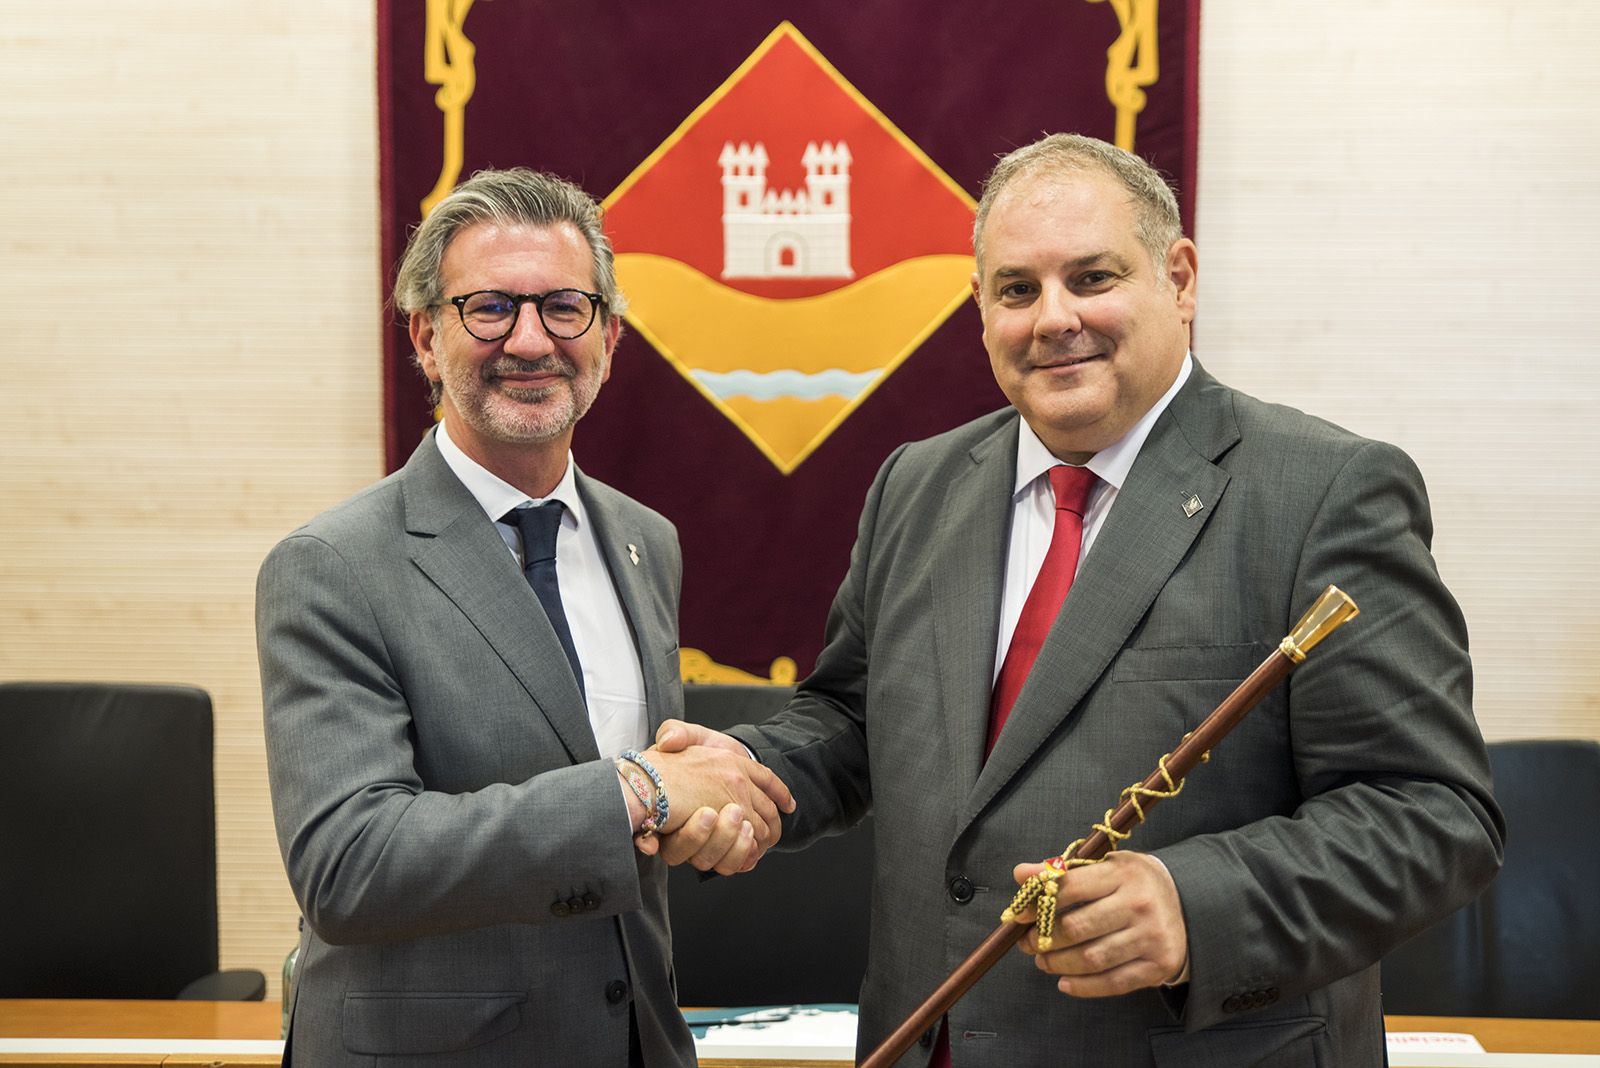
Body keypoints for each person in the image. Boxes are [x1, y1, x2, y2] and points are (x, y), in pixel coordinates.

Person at [650, 134, 1504, 1066]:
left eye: (1092, 278)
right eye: (1017, 290)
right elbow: (856, 717)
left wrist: (1196, 903)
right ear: (981, 309)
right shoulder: (919, 483)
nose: (1053, 318)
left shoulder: (1323, 491)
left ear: (1179, 278)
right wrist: (751, 771)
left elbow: (1432, 814)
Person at [257, 167, 793, 1067]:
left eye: (563, 308)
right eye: (491, 308)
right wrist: (641, 791)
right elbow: (348, 866)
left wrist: (707, 815)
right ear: (426, 337)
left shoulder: (645, 542)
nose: (531, 340)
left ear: (610, 337)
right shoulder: (332, 567)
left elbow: (624, 824)